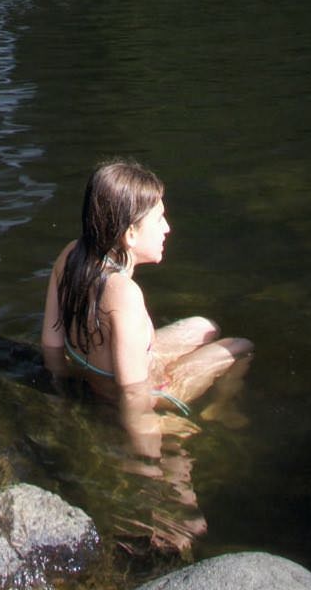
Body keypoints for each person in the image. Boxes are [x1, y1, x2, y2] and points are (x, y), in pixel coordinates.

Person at [41, 158, 251, 410]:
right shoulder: (124, 294)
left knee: (205, 326)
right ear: (130, 234)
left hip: (100, 371)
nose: (167, 228)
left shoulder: (71, 254)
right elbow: (132, 392)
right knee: (240, 347)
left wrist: (62, 390)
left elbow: (51, 345)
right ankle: (220, 409)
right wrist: (149, 440)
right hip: (146, 392)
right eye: (159, 219)